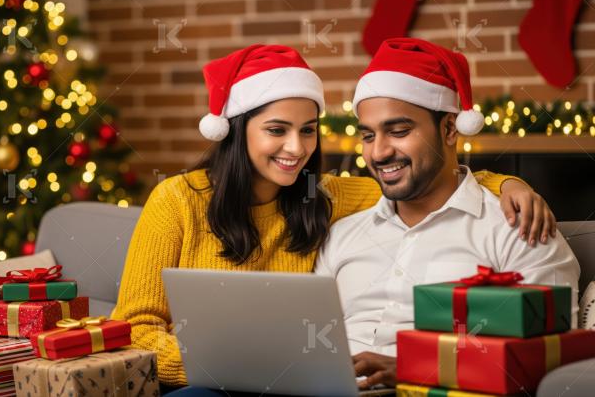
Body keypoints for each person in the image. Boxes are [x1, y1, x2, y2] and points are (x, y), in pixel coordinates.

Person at [110, 44, 556, 388]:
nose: (296, 148)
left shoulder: (322, 196)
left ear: (450, 128)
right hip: (209, 380)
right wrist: (227, 365)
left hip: (290, 381)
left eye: (308, 130)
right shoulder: (178, 199)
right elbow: (134, 329)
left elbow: (425, 185)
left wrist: (504, 183)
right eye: (276, 130)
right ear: (236, 131)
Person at [314, 37, 580, 389]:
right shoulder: (340, 234)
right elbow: (305, 341)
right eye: (368, 135)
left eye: (399, 131)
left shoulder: (518, 229)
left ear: (450, 128)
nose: (378, 153)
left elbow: (551, 366)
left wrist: (413, 367)